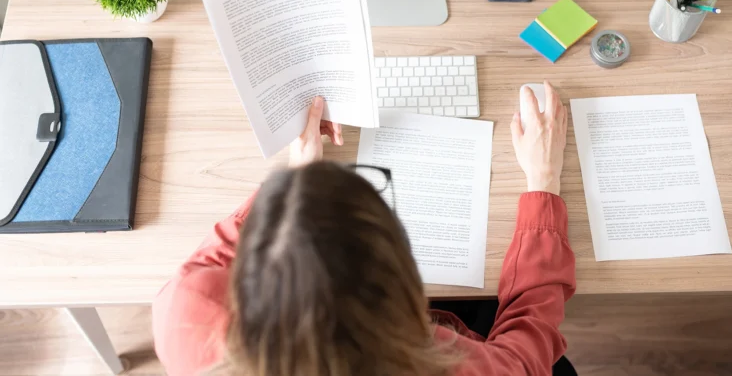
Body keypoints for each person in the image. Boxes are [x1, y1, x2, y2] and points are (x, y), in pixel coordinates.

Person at [153, 83, 576, 376]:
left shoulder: (187, 313)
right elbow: (524, 359)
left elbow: (213, 258)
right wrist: (544, 183)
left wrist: (297, 185)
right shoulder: (441, 365)